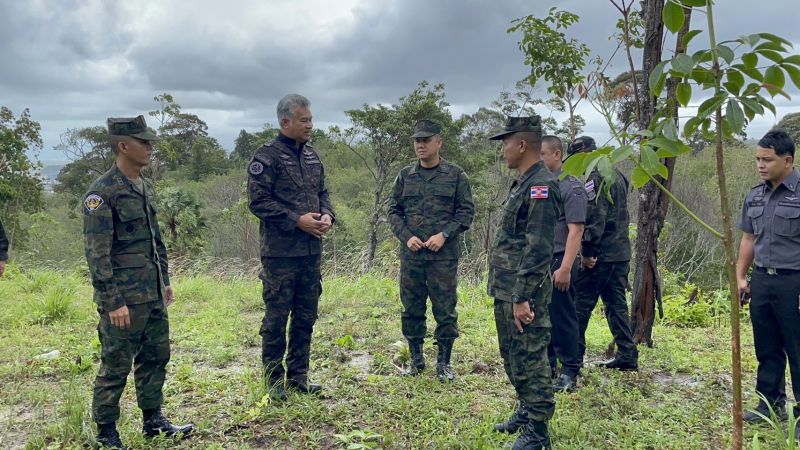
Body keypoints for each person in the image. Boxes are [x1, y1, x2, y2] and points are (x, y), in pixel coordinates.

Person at [84, 115, 193, 449]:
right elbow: (97, 254)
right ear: (123, 145)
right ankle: (106, 431)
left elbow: (154, 238)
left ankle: (153, 420)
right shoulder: (102, 193)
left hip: (152, 292)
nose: (149, 148)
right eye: (143, 142)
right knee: (116, 363)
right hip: (124, 299)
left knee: (156, 356)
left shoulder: (142, 186)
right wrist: (112, 300)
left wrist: (166, 279)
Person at [247, 94, 334, 400]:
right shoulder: (266, 157)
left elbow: (323, 191)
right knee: (276, 318)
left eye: (310, 119)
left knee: (306, 315)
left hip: (311, 252)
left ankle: (299, 376)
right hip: (280, 254)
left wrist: (327, 215)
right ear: (285, 122)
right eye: (304, 120)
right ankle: (273, 381)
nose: (310, 125)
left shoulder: (312, 156)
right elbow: (257, 202)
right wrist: (297, 220)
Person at [488, 116, 560, 450]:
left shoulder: (541, 186)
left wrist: (522, 297)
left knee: (531, 356)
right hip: (507, 287)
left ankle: (539, 432)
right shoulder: (523, 182)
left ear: (521, 145)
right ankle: (526, 410)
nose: (503, 151)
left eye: (505, 143)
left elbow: (539, 248)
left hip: (524, 292)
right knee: (513, 354)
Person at [388, 119, 475, 382]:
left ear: (439, 142)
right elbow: (393, 211)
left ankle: (444, 364)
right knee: (411, 308)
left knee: (445, 310)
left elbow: (466, 212)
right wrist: (407, 237)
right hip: (412, 256)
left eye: (426, 140)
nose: (420, 145)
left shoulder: (456, 175)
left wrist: (444, 235)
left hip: (443, 258)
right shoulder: (405, 176)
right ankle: (416, 360)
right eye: (417, 140)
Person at [736, 130, 800, 437]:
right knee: (768, 347)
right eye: (757, 159)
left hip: (794, 282)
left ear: (787, 161)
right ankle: (769, 403)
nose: (760, 165)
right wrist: (740, 276)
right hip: (762, 280)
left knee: (798, 349)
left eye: (767, 159)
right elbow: (749, 237)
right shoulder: (755, 194)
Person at [570, 136, 639, 371]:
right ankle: (627, 354)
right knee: (616, 304)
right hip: (620, 253)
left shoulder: (595, 178)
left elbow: (595, 217)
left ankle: (573, 360)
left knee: (580, 306)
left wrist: (587, 251)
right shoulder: (616, 174)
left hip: (601, 255)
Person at [540, 135, 586, 392]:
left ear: (557, 154)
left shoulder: (572, 187)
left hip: (561, 260)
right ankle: (549, 363)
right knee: (544, 316)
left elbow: (576, 230)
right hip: (542, 261)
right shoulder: (543, 184)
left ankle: (570, 370)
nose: (541, 158)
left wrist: (566, 267)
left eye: (544, 154)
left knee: (563, 317)